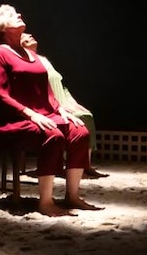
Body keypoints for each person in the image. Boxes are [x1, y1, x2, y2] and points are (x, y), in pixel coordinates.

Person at [0, 4, 103, 217]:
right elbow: (0, 94)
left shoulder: (30, 54)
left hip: (44, 114)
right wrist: (31, 114)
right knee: (52, 136)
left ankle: (72, 197)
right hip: (11, 119)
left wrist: (61, 110)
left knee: (80, 132)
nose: (18, 15)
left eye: (17, 13)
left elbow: (47, 91)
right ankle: (46, 202)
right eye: (11, 15)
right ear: (2, 27)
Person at [19, 32, 108, 179]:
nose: (31, 35)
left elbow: (61, 84)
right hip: (49, 102)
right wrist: (58, 106)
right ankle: (66, 164)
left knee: (86, 115)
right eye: (26, 36)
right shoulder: (27, 62)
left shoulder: (44, 59)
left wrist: (72, 102)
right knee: (76, 120)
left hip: (62, 97)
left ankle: (85, 164)